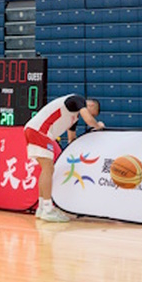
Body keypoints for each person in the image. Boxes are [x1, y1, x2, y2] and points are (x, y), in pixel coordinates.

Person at [26, 94, 104, 222]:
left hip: (36, 131)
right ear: (90, 105)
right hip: (39, 131)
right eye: (93, 113)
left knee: (47, 169)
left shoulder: (73, 117)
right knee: (48, 168)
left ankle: (41, 207)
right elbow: (90, 121)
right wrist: (98, 126)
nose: (92, 116)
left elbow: (71, 139)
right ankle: (48, 208)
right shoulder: (77, 99)